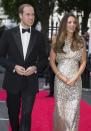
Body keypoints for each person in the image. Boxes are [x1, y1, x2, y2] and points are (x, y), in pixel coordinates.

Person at [0, 4, 48, 131]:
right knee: (13, 115)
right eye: (28, 14)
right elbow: (1, 57)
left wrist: (35, 68)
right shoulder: (8, 34)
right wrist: (13, 66)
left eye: (33, 14)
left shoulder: (39, 36)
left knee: (26, 115)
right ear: (20, 15)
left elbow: (44, 59)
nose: (31, 17)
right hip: (12, 80)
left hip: (30, 82)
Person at [50, 13, 86, 131]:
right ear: (64, 24)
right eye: (69, 22)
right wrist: (62, 77)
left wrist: (75, 77)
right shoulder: (57, 40)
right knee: (61, 114)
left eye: (74, 22)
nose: (72, 25)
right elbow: (52, 62)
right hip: (60, 82)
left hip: (76, 83)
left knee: (73, 114)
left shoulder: (80, 41)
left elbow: (83, 62)